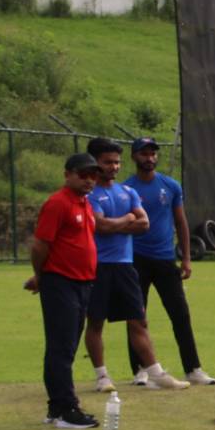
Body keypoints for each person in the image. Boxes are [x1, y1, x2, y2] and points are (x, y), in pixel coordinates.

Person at [82, 138, 190, 393]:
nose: (114, 167)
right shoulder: (90, 195)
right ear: (94, 163)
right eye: (108, 162)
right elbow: (101, 226)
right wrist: (128, 218)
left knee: (138, 321)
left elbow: (144, 224)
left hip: (125, 265)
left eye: (117, 162)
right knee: (96, 322)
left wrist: (119, 221)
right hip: (98, 265)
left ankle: (155, 372)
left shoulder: (127, 192)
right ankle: (102, 376)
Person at [122, 137, 215, 386]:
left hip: (165, 259)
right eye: (144, 154)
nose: (149, 158)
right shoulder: (126, 189)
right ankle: (140, 370)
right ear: (134, 157)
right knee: (136, 316)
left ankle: (193, 369)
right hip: (136, 260)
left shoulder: (170, 186)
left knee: (180, 315)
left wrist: (186, 257)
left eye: (153, 154)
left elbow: (181, 222)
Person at [25, 153, 103, 428]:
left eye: (93, 175)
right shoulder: (58, 203)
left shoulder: (84, 204)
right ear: (67, 174)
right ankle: (66, 409)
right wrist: (41, 275)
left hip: (82, 282)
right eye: (83, 174)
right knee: (62, 346)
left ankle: (57, 408)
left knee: (67, 346)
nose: (89, 180)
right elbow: (41, 245)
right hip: (62, 282)